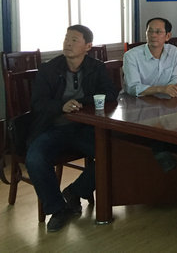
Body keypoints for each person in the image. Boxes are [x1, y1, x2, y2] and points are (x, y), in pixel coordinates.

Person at [26, 25, 117, 232]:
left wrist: (81, 102)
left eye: (74, 40)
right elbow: (38, 103)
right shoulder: (49, 69)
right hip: (54, 128)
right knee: (35, 158)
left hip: (86, 127)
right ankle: (58, 209)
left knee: (114, 153)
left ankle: (75, 191)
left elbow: (111, 94)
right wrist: (61, 106)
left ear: (88, 46)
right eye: (67, 39)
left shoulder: (96, 67)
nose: (68, 43)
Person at [123, 17, 177, 98]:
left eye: (158, 32)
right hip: (137, 101)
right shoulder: (131, 56)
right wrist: (161, 89)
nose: (153, 35)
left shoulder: (173, 51)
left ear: (168, 36)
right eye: (150, 31)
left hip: (166, 100)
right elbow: (133, 88)